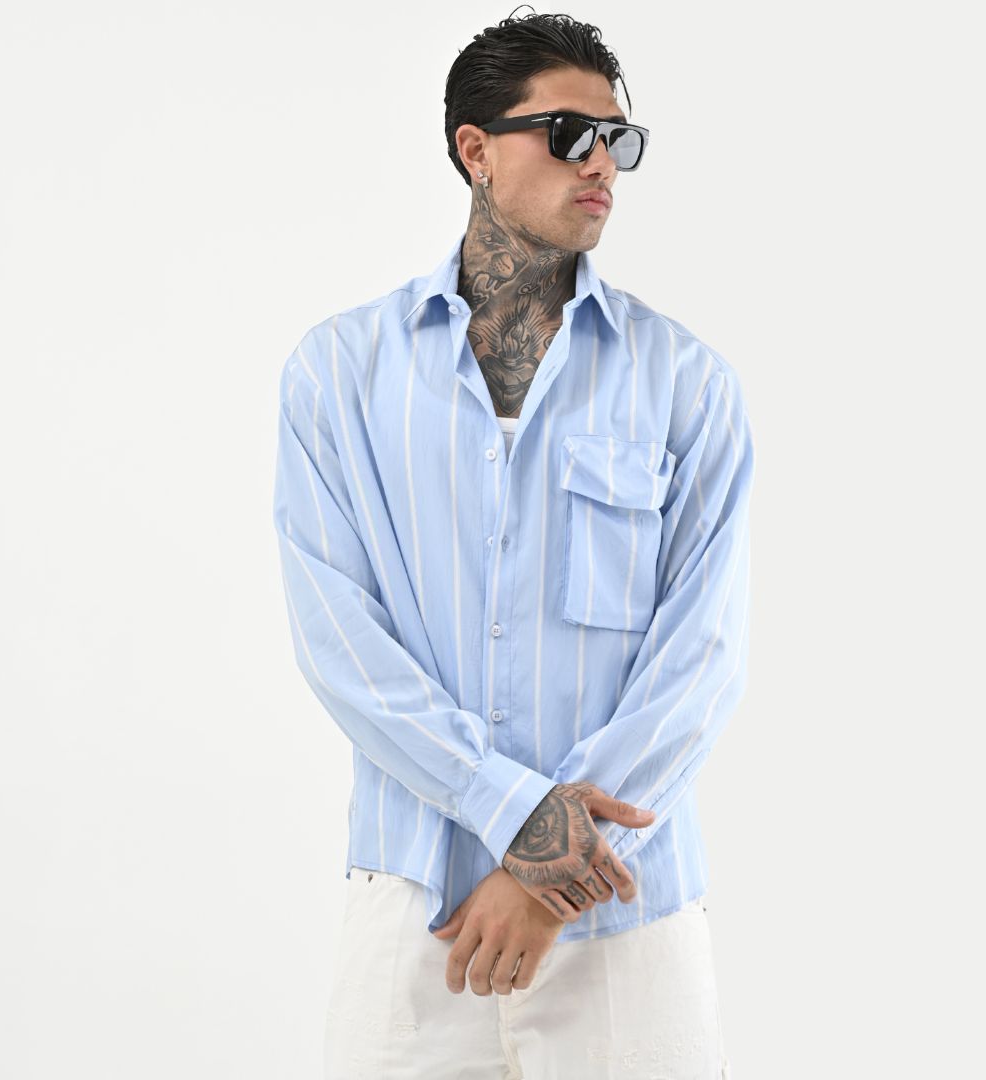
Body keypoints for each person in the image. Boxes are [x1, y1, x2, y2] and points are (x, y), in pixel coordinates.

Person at [272, 8, 753, 1077]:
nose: (602, 164)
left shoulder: (687, 384)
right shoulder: (339, 375)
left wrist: (550, 871)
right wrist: (513, 812)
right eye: (570, 133)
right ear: (475, 148)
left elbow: (703, 656)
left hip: (628, 921)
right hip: (415, 909)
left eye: (619, 139)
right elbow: (340, 638)